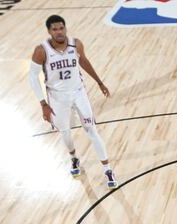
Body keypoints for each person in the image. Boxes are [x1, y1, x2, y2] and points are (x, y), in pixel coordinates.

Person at [28, 15, 118, 187]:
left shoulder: (75, 43)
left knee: (91, 130)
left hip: (78, 93)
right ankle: (74, 157)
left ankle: (108, 170)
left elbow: (83, 61)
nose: (59, 32)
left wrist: (99, 82)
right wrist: (43, 104)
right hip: (57, 97)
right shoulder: (41, 50)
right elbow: (32, 77)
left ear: (65, 28)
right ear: (49, 31)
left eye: (61, 28)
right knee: (65, 132)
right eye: (55, 29)